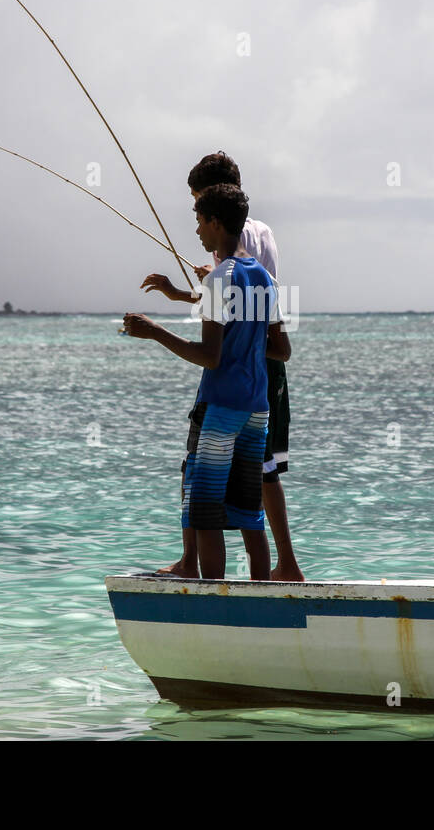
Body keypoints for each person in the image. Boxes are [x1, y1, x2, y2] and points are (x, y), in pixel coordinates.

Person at [141, 152, 303, 581]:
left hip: (221, 404)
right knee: (250, 512)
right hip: (258, 406)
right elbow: (281, 349)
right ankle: (263, 592)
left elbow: (210, 356)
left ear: (215, 221)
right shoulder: (264, 280)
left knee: (206, 508)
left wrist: (154, 331)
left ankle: (209, 596)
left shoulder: (217, 279)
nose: (194, 229)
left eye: (199, 219)